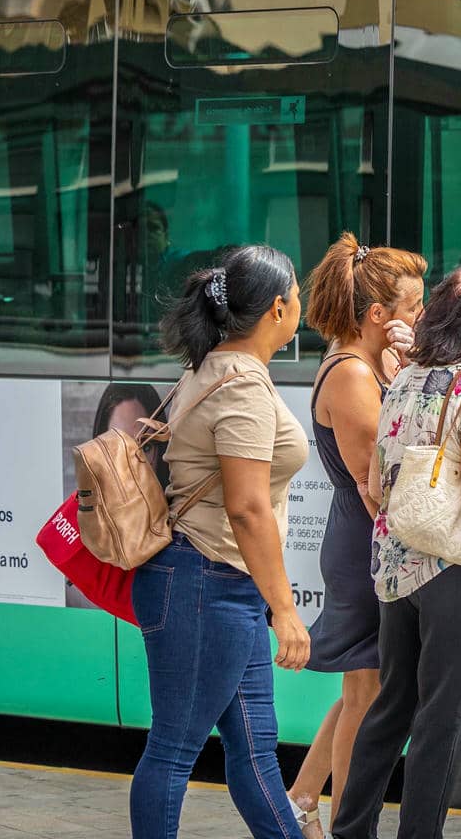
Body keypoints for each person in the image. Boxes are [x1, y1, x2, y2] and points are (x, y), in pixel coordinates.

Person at [331, 266, 461, 839]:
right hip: (459, 575)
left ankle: (351, 830)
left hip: (398, 573)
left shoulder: (403, 379)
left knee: (391, 707)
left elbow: (374, 483)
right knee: (444, 720)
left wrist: (405, 538)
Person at [129, 245, 310, 839]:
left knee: (256, 751)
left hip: (220, 585)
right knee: (175, 748)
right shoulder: (240, 387)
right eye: (297, 296)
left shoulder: (212, 368)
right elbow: (248, 507)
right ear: (278, 308)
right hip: (205, 584)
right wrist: (285, 612)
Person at [284, 235, 426, 839]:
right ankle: (348, 823)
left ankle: (300, 798)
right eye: (414, 307)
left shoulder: (367, 363)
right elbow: (378, 484)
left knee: (364, 686)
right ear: (378, 316)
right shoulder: (349, 374)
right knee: (367, 690)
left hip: (363, 539)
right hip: (364, 543)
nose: (422, 316)